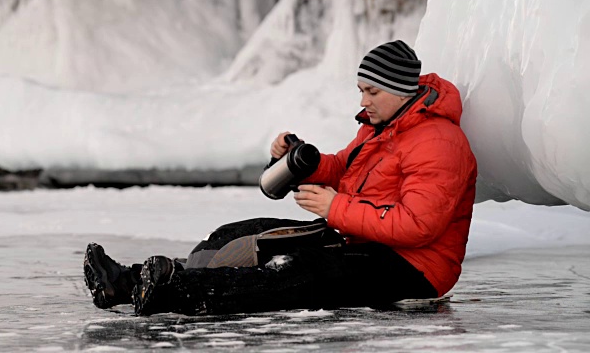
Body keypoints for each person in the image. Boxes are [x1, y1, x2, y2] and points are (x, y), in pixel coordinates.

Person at [83, 40, 477, 316]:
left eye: (371, 91)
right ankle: (126, 282)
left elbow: (419, 225)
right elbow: (343, 167)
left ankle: (175, 291)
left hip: (415, 266)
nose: (362, 101)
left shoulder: (440, 142)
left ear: (398, 89)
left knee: (295, 271)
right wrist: (298, 158)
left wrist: (335, 207)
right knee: (242, 234)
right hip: (361, 236)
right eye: (360, 90)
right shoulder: (382, 127)